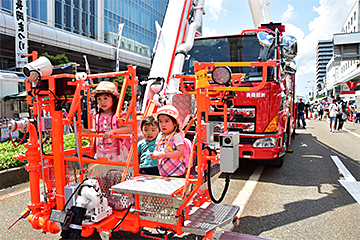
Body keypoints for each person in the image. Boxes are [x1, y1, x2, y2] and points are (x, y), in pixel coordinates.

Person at [83, 81, 132, 162]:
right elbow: (96, 131)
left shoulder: (119, 115)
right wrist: (84, 131)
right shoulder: (97, 116)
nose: (102, 102)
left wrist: (112, 131)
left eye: (106, 98)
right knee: (102, 173)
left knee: (117, 172)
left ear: (114, 99)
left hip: (116, 152)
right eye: (99, 99)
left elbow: (129, 129)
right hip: (101, 151)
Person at [151, 105, 185, 178]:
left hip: (176, 173)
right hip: (163, 172)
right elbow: (157, 149)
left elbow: (181, 152)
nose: (163, 124)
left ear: (175, 123)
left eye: (167, 121)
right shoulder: (160, 136)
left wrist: (165, 154)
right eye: (160, 121)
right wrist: (155, 154)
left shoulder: (176, 136)